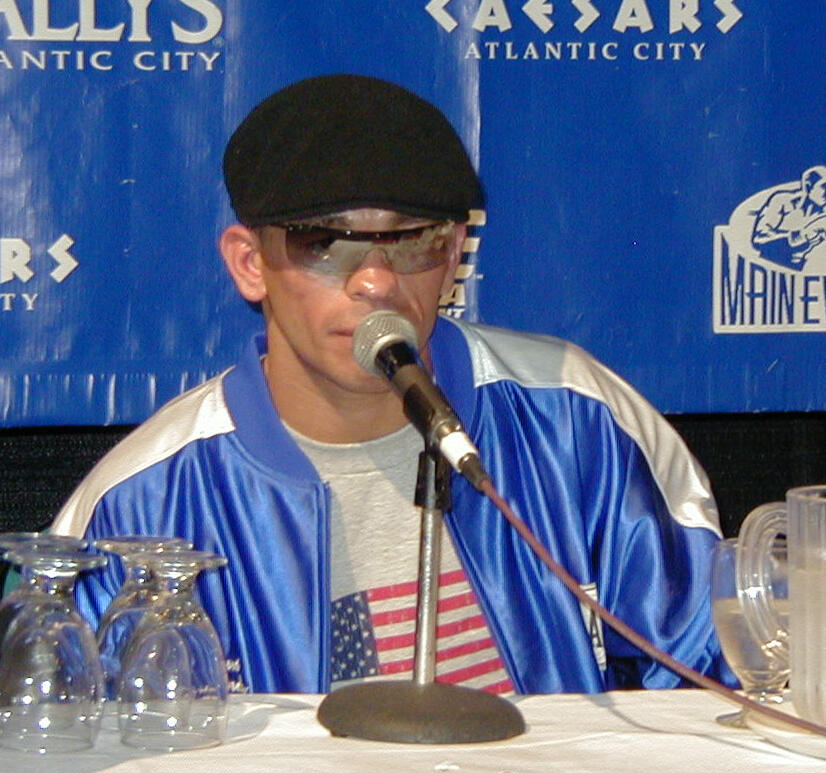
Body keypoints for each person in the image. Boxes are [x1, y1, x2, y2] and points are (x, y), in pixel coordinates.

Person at [51, 73, 732, 695]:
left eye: (412, 242)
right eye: (325, 244)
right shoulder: (141, 501)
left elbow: (723, 674)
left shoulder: (578, 421)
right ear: (250, 264)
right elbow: (58, 736)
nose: (375, 282)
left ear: (455, 253)